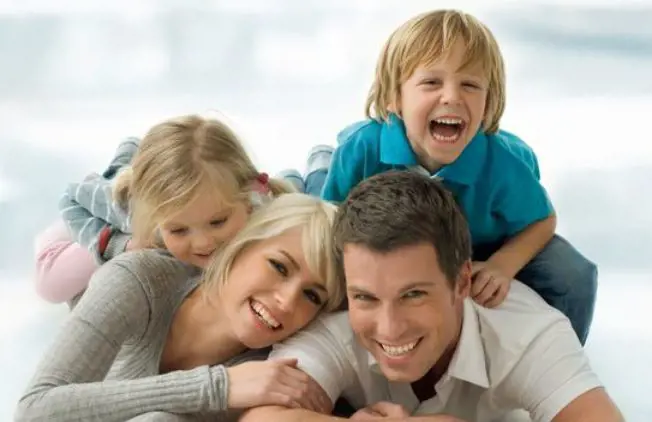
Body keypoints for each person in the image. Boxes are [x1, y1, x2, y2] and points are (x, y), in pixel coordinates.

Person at [241, 171, 623, 422]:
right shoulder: (333, 321)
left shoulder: (530, 334)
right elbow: (262, 418)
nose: (389, 328)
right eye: (366, 298)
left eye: (413, 295)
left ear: (461, 282)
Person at [319, 9, 597, 344]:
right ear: (395, 97)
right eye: (431, 83)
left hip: (483, 241)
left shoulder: (501, 163)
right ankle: (316, 165)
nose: (452, 96)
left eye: (470, 85)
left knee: (573, 273)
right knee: (312, 219)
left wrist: (502, 264)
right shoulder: (362, 148)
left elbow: (542, 220)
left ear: (489, 100)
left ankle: (562, 359)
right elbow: (331, 218)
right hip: (399, 235)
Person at [16, 193, 344, 422]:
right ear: (241, 246)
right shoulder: (140, 280)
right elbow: (34, 410)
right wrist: (219, 387)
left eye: (312, 296)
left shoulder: (274, 372)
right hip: (100, 257)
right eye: (279, 267)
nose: (287, 301)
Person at [32, 114, 299, 305]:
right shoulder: (133, 211)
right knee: (51, 285)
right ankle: (127, 155)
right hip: (105, 210)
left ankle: (130, 155)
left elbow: (295, 186)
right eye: (179, 230)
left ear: (246, 196)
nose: (203, 242)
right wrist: (116, 245)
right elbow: (70, 198)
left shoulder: (262, 208)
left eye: (218, 222)